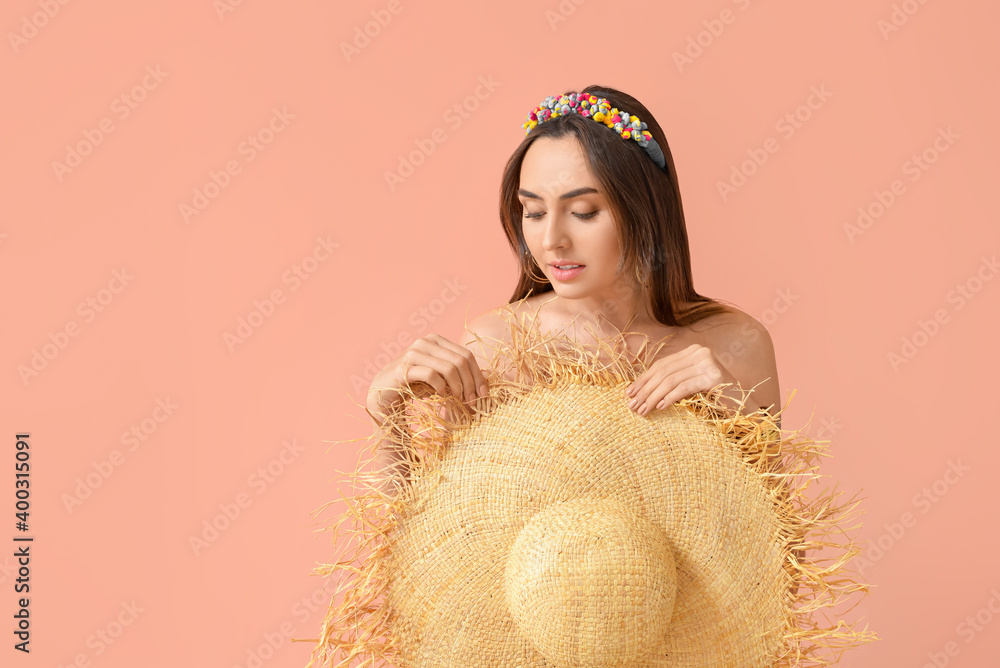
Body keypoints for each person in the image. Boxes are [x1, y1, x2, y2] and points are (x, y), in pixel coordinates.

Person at [366, 85, 781, 490]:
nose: (551, 241)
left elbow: (776, 529)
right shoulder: (497, 346)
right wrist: (387, 415)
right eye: (533, 212)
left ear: (645, 211)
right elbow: (440, 528)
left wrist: (739, 412)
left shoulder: (735, 344)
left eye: (583, 212)